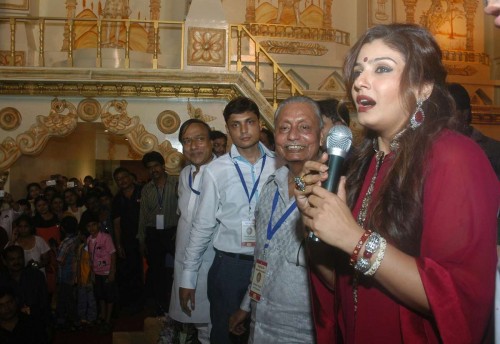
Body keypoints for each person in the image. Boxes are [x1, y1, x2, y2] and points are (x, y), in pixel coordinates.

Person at [294, 23, 499, 343]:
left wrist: (353, 239)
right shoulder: (361, 163)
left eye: (382, 69)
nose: (360, 82)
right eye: (359, 71)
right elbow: (344, 288)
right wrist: (315, 223)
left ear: (423, 87)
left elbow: (455, 297)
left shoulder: (454, 157)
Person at [180, 97, 277, 343]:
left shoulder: (280, 165)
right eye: (235, 125)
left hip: (272, 265)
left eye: (249, 122)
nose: (243, 130)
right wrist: (188, 277)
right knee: (224, 335)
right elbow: (202, 227)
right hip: (230, 267)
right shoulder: (216, 171)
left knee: (266, 335)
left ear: (260, 124)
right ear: (227, 129)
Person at [229, 96, 321, 343]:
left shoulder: (333, 193)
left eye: (304, 127)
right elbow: (263, 254)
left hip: (305, 332)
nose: (292, 136)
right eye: (284, 128)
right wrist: (246, 305)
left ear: (320, 137)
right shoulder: (271, 186)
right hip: (260, 324)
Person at [170, 119, 215, 344]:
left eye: (199, 139)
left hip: (211, 260)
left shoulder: (223, 172)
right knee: (194, 322)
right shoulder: (184, 174)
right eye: (187, 141)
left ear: (211, 142)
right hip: (183, 258)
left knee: (211, 323)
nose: (194, 146)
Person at [138, 151, 179, 314]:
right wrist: (141, 239)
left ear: (163, 166)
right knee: (156, 270)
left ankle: (178, 303)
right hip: (153, 233)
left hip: (173, 232)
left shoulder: (176, 183)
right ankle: (159, 305)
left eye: (156, 166)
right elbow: (142, 216)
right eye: (149, 168)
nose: (153, 170)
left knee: (181, 267)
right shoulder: (146, 189)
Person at [447, 82, 500, 179]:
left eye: (450, 113)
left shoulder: (494, 152)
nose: (444, 120)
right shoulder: (433, 152)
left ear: (465, 114)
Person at [112, 167, 144, 314]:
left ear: (131, 177)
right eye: (118, 180)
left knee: (145, 271)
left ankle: (145, 302)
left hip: (146, 238)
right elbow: (116, 222)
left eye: (124, 177)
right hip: (127, 240)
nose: (122, 181)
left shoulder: (143, 191)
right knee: (129, 272)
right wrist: (118, 244)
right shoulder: (117, 199)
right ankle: (130, 304)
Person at [0, 245, 50, 334]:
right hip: (9, 327)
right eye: (12, 259)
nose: (16, 262)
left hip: (36, 323)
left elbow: (44, 302)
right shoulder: (2, 280)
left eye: (19, 258)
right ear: (4, 261)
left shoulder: (36, 276)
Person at [87, 214, 117, 333]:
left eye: (94, 225)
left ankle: (108, 320)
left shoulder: (105, 237)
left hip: (106, 271)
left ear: (98, 224)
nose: (92, 228)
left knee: (109, 296)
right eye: (89, 226)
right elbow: (90, 257)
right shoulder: (89, 239)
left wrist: (112, 271)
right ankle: (103, 316)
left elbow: (113, 254)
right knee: (100, 295)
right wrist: (92, 272)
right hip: (97, 272)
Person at [55, 215, 79, 331]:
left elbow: (60, 260)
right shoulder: (77, 239)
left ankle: (70, 321)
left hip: (65, 275)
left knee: (65, 299)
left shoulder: (66, 242)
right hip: (75, 274)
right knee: (70, 298)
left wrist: (54, 249)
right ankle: (68, 320)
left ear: (63, 229)